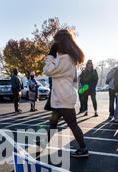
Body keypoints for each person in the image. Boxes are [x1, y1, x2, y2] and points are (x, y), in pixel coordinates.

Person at [43, 29, 88, 158]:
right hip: (62, 97)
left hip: (63, 98)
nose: (54, 44)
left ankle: (83, 148)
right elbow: (74, 81)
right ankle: (44, 143)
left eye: (56, 42)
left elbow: (47, 70)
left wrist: (51, 55)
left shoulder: (65, 59)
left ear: (61, 43)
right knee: (53, 122)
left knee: (72, 124)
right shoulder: (69, 59)